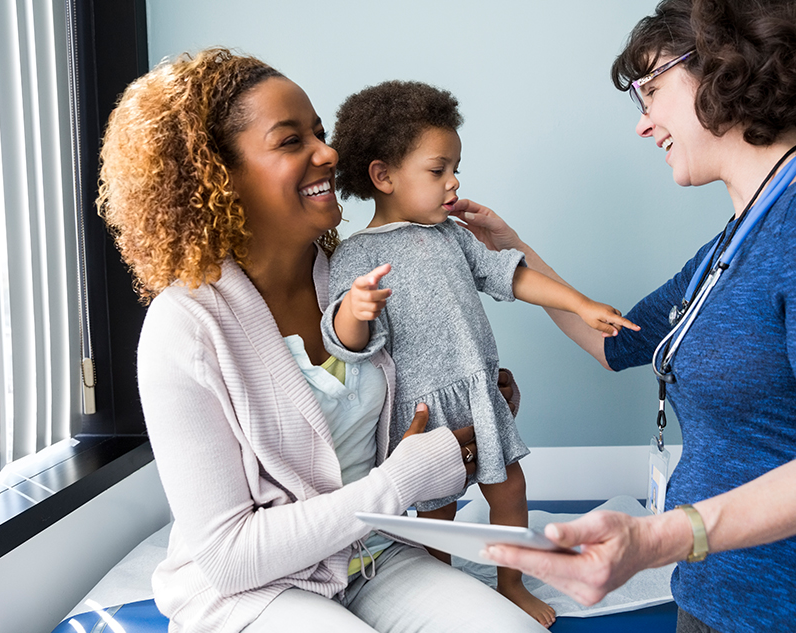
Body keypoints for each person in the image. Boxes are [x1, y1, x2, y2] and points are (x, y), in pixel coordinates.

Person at [457, 1, 796, 631]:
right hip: (709, 600)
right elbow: (612, 343)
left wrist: (657, 539)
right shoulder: (724, 252)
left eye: (649, 92)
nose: (643, 125)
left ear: (724, 68)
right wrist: (513, 250)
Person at [96, 48, 550, 633]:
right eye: (290, 141)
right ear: (217, 176)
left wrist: (472, 417)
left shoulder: (352, 276)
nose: (330, 153)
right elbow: (231, 555)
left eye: (319, 132)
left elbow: (408, 415)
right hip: (250, 588)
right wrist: (402, 480)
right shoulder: (183, 327)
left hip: (370, 556)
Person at [321, 80, 638, 627]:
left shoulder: (454, 236)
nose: (455, 181)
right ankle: (436, 591)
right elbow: (341, 342)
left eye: (456, 168)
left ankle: (511, 584)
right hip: (423, 414)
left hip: (476, 391)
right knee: (435, 516)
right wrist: (356, 308)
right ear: (383, 176)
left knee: (510, 490)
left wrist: (580, 303)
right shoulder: (356, 255)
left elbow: (512, 275)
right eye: (438, 169)